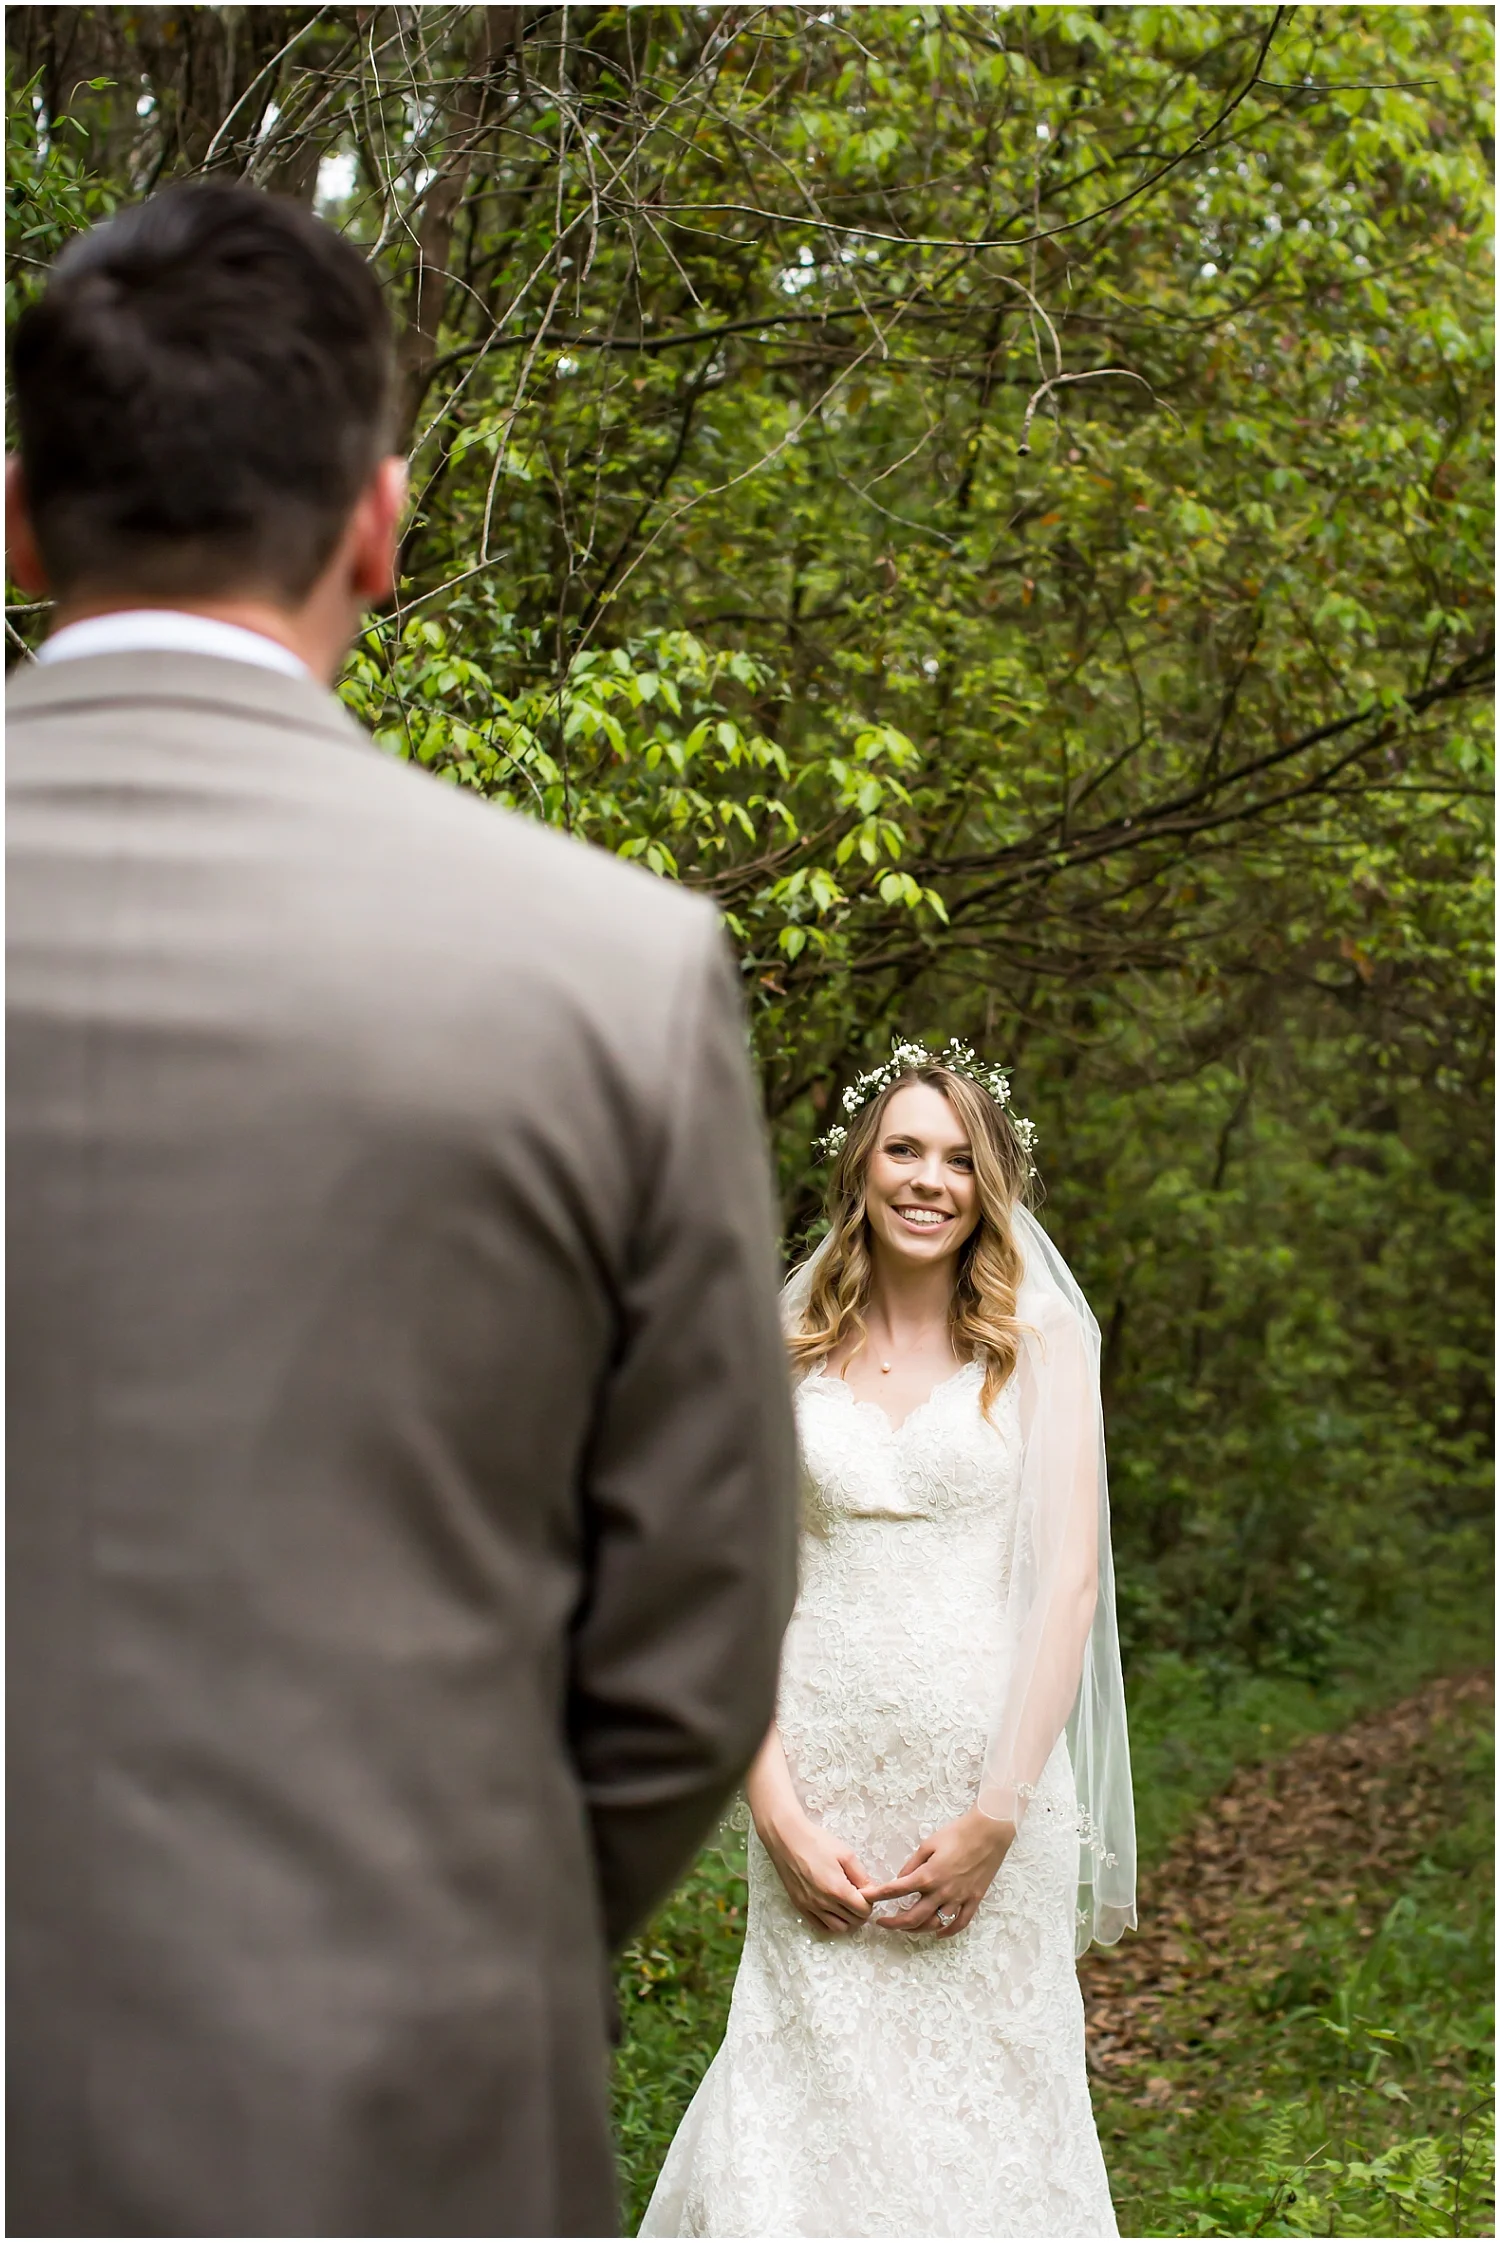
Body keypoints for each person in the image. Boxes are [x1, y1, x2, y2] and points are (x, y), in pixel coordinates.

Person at [6, 181, 798, 2239]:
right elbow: (694, 1638)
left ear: (18, 521)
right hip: (391, 2119)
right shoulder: (606, 971)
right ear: (379, 521)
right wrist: (454, 1946)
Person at [641, 1039, 1136, 2239]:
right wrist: (775, 1810)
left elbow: (1068, 1585)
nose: (929, 1179)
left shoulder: (1043, 1342)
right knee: (798, 2112)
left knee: (990, 2118)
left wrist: (998, 1814)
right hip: (819, 1788)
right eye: (905, 1149)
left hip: (985, 1792)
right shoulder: (781, 1344)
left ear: (990, 1183)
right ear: (861, 1165)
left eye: (959, 1159)